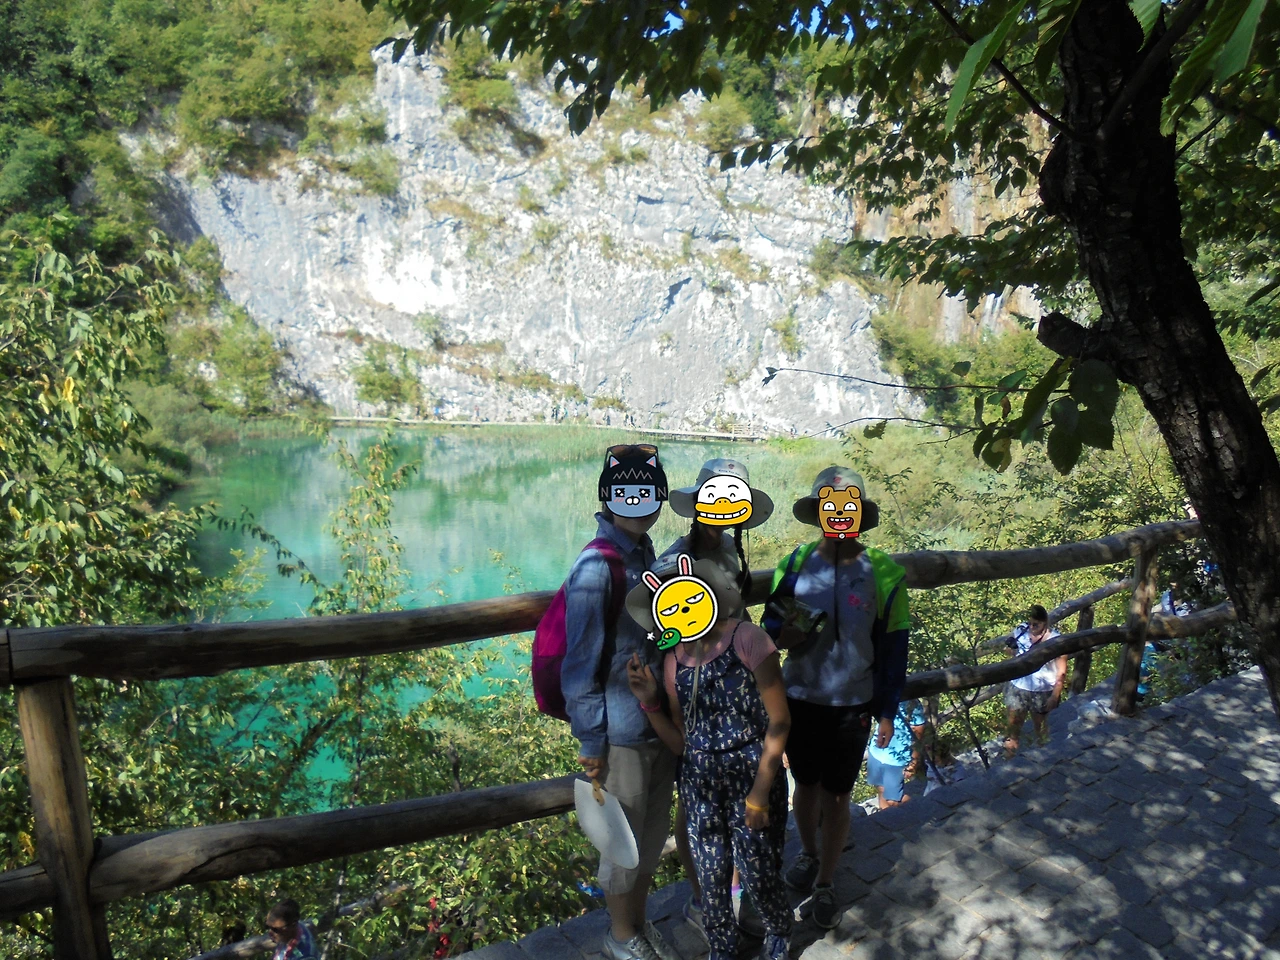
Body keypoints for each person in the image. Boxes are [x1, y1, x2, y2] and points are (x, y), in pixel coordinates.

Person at [762, 466, 909, 930]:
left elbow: (894, 647)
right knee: (804, 785)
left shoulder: (884, 571)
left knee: (839, 793)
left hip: (853, 703)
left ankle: (826, 879)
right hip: (800, 696)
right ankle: (807, 854)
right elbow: (770, 625)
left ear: (860, 515)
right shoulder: (797, 563)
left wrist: (886, 710)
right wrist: (781, 634)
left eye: (848, 508)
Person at [625, 557, 793, 960]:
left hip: (751, 773)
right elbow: (683, 742)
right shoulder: (673, 660)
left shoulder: (747, 639)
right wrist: (650, 704)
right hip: (700, 783)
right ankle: (723, 947)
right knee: (711, 875)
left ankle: (779, 930)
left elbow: (780, 720)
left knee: (757, 870)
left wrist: (759, 791)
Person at [562, 444, 679, 960]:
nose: (638, 501)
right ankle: (620, 937)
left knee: (649, 840)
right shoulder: (596, 568)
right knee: (622, 845)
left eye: (647, 492)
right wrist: (591, 740)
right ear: (608, 497)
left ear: (657, 498)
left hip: (654, 721)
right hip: (620, 733)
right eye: (626, 491)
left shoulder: (645, 554)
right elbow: (579, 664)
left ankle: (637, 923)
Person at [661, 458, 775, 930]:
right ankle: (704, 901)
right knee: (697, 804)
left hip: (734, 687)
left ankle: (729, 898)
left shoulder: (730, 549)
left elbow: (736, 614)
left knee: (730, 797)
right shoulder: (673, 561)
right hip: (693, 690)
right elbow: (663, 627)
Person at [1003, 604, 1065, 755]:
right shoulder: (1021, 630)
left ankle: (1043, 758)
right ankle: (1009, 760)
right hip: (1018, 686)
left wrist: (1055, 695)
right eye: (1029, 623)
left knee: (1042, 729)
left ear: (1045, 623)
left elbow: (1062, 671)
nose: (1031, 627)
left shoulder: (1056, 640)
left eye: (1035, 624)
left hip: (1043, 690)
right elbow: (1013, 653)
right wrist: (1010, 650)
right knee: (1012, 729)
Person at [865, 699, 928, 810]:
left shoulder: (912, 705)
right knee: (881, 789)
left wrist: (913, 762)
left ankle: (921, 810)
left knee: (893, 800)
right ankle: (884, 817)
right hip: (876, 752)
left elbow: (919, 734)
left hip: (897, 760)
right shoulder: (884, 695)